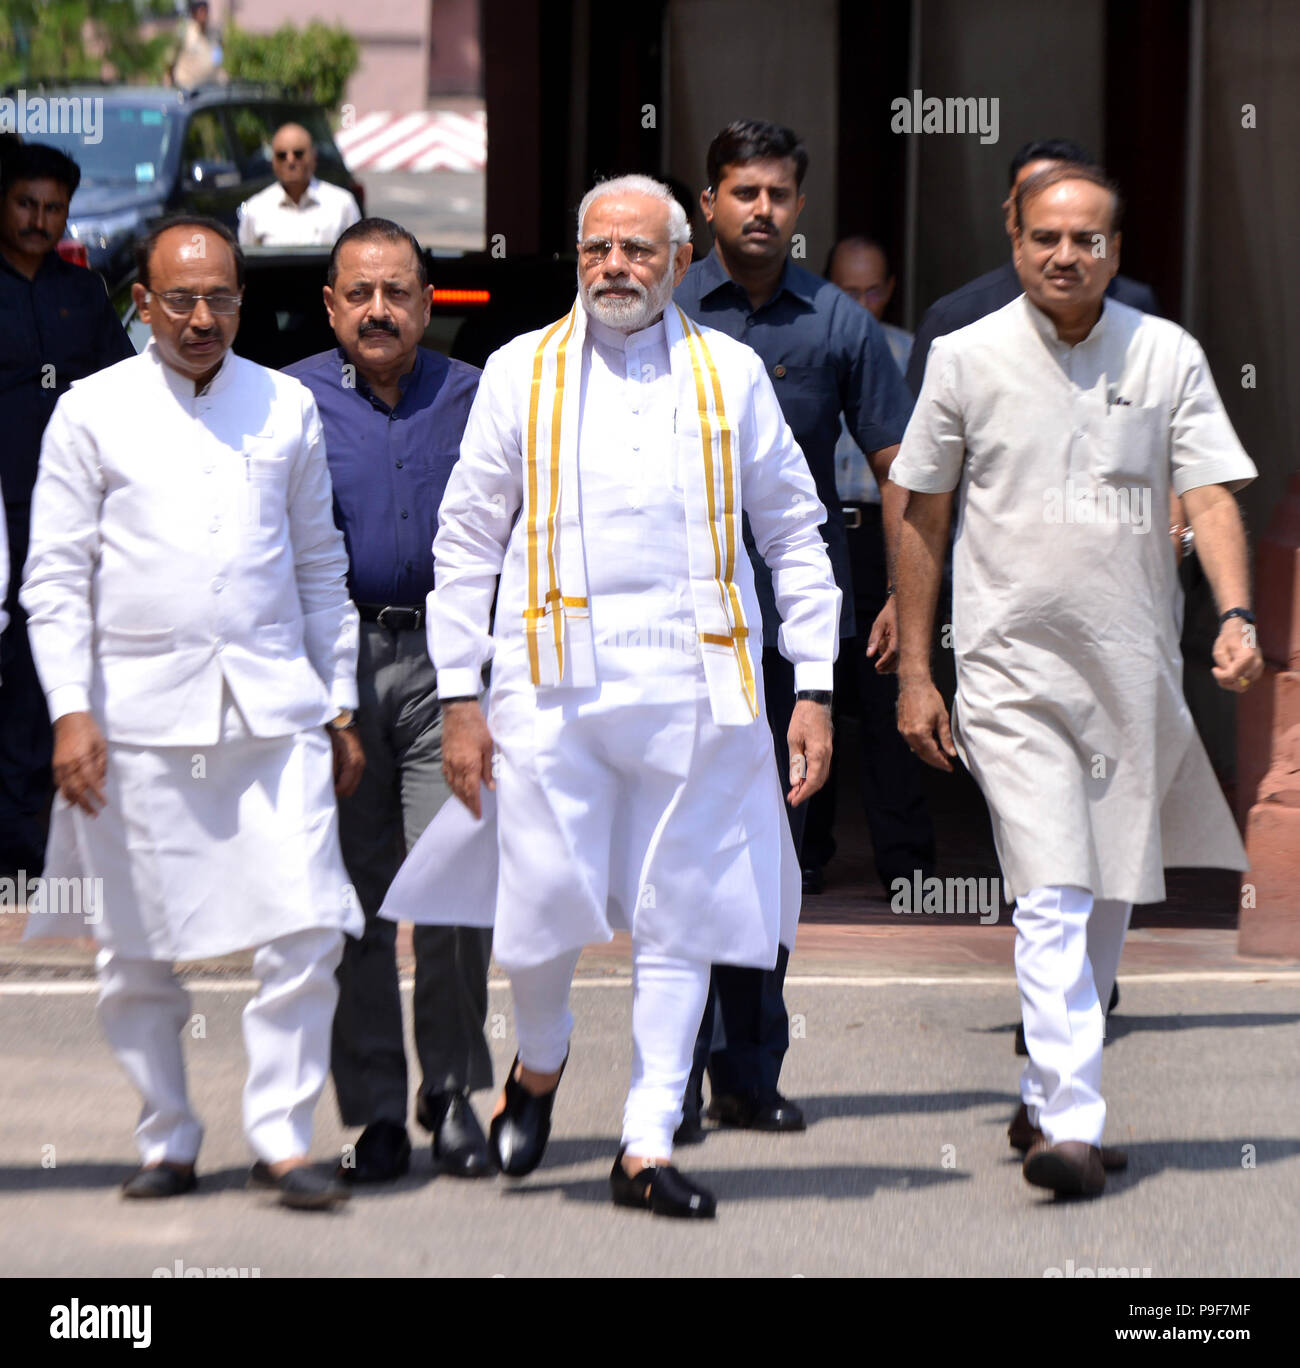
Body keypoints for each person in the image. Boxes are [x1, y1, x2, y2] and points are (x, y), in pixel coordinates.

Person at [379, 173, 840, 1218]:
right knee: (541, 909)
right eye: (595, 251)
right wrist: (459, 696)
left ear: (682, 261)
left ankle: (643, 1143)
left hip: (698, 690)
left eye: (636, 250)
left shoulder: (731, 373)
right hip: (549, 694)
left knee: (684, 913)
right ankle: (537, 1066)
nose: (614, 269)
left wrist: (812, 684)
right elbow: (465, 540)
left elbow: (793, 535)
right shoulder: (515, 372)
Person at [890, 164, 1260, 1198]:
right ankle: (1071, 1126)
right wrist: (918, 669)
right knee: (1051, 888)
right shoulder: (963, 356)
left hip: (1130, 671)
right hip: (1009, 671)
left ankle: (1045, 1088)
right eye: (1046, 236)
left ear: (1116, 247)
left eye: (1087, 239)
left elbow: (1211, 495)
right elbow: (919, 510)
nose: (1065, 255)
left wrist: (1234, 614)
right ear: (1013, 238)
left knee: (1107, 894)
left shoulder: (1166, 352)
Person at [22, 215, 364, 1210]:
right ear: (143, 302)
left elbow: (317, 565)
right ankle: (167, 1136)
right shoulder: (90, 412)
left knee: (304, 927)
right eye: (181, 299)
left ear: (241, 301)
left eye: (220, 297)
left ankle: (283, 1139)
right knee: (136, 950)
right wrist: (71, 711)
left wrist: (336, 702)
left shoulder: (288, 406)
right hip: (132, 721)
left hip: (273, 714)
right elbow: (53, 581)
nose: (202, 317)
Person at [674, 120, 912, 1137]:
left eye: (778, 193)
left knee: (763, 852)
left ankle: (748, 1072)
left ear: (797, 208)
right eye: (743, 192)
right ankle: (664, 1080)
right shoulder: (665, 310)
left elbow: (900, 465)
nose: (761, 209)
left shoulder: (837, 325)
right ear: (708, 201)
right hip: (676, 626)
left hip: (789, 630)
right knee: (674, 853)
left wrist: (906, 591)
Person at [285, 218, 492, 1184]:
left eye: (397, 292)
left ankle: (450, 1092)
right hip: (334, 665)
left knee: (451, 879)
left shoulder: (475, 396)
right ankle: (372, 1110)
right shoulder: (288, 402)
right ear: (330, 304)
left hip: (450, 668)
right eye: (358, 293)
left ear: (426, 303)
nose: (378, 310)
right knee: (352, 899)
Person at [0, 143, 133, 880]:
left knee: (36, 681)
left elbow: (123, 391)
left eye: (54, 209)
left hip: (64, 528)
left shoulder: (82, 294)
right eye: (26, 204)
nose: (39, 220)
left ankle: (25, 863)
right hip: (0, 514)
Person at [799, 235, 935, 899]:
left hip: (887, 536)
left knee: (889, 699)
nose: (861, 304)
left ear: (890, 288)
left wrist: (897, 583)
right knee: (808, 687)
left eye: (872, 290)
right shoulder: (807, 344)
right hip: (813, 537)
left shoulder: (914, 356)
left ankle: (905, 862)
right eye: (846, 292)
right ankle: (804, 853)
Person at [905, 138, 1157, 397]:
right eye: (1034, 194)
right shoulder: (957, 319)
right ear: (1011, 216)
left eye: (1085, 237)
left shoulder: (1144, 322)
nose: (1064, 257)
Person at [237, 123, 361, 249]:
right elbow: (248, 262)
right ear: (273, 162)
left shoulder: (342, 204)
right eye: (282, 155)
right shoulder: (256, 209)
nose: (290, 160)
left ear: (313, 156)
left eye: (298, 153)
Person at [825, 235, 912, 372]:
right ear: (828, 290)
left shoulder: (909, 352)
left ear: (889, 289)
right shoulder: (809, 351)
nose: (863, 305)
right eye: (851, 294)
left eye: (873, 293)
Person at [166, 1, 227, 90]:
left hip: (209, 85)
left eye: (205, 10)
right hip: (187, 86)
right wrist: (169, 78)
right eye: (200, 10)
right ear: (194, 13)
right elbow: (172, 57)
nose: (204, 14)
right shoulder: (185, 31)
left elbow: (217, 58)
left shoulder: (214, 34)